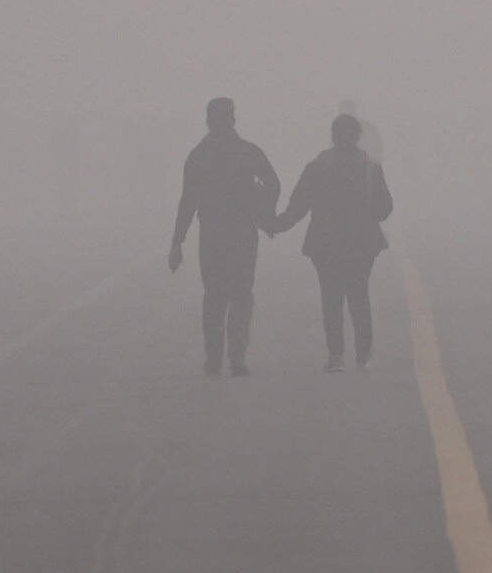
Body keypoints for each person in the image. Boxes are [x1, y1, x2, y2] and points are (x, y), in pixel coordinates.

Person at [169, 98, 282, 376]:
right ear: (233, 119)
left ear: (208, 121)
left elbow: (188, 201)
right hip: (242, 233)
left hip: (212, 235)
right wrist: (263, 213)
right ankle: (236, 354)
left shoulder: (199, 156)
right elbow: (273, 184)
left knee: (215, 296)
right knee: (240, 293)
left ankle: (214, 356)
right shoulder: (247, 152)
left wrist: (177, 241)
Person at [275, 112, 396, 370]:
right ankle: (363, 353)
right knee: (359, 295)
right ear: (358, 136)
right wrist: (368, 213)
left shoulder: (317, 168)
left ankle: (336, 355)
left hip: (325, 242)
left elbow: (298, 206)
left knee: (331, 298)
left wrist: (276, 225)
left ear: (332, 136)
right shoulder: (370, 167)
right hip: (361, 243)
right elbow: (385, 207)